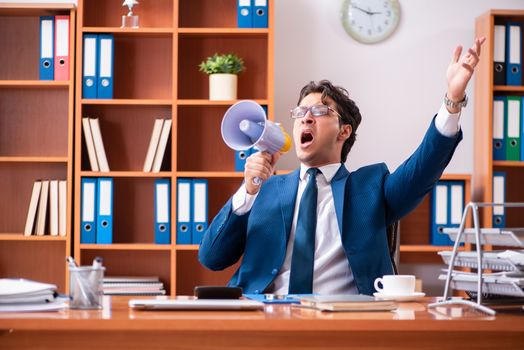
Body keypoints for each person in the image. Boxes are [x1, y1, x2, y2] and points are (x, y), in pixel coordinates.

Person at [198, 37, 486, 295]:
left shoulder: (371, 187)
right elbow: (212, 258)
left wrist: (452, 101)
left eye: (320, 111)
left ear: (344, 131)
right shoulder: (266, 190)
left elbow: (424, 166)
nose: (306, 118)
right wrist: (247, 192)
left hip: (342, 321)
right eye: (300, 112)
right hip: (265, 317)